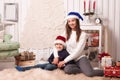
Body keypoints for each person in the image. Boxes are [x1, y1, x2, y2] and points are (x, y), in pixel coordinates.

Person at [53, 12, 104, 77]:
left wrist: (64, 61)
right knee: (67, 70)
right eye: (69, 21)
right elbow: (56, 44)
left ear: (77, 21)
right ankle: (84, 69)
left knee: (90, 73)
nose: (71, 23)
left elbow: (77, 51)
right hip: (70, 60)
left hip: (80, 58)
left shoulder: (83, 34)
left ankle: (104, 71)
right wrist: (56, 56)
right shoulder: (66, 33)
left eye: (73, 21)